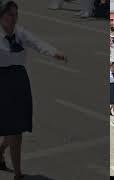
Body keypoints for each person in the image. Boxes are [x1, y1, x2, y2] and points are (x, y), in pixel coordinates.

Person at [0, 1, 66, 180]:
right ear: (1, 16)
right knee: (13, 129)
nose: (13, 19)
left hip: (19, 81)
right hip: (2, 82)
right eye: (9, 15)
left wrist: (53, 52)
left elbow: (36, 42)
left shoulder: (19, 32)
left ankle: (1, 152)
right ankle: (18, 173)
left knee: (17, 127)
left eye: (15, 14)